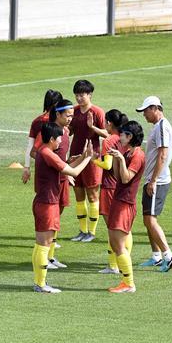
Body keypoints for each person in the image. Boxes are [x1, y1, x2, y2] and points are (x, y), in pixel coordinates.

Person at [31, 122, 94, 293]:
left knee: (41, 244)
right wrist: (88, 158)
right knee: (44, 244)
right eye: (59, 137)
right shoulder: (47, 154)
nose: (61, 141)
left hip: (43, 202)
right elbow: (73, 173)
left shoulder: (45, 152)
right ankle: (40, 284)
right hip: (47, 204)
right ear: (51, 138)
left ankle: (39, 282)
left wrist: (81, 158)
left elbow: (65, 169)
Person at [31, 99, 76, 269]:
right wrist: (54, 166)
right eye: (67, 115)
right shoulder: (48, 132)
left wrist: (66, 165)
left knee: (56, 219)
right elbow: (35, 152)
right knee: (49, 220)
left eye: (72, 115)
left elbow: (61, 159)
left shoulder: (65, 131)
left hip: (62, 179)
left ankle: (50, 257)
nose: (70, 118)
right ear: (58, 114)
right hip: (51, 184)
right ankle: (45, 260)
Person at [136, 96, 172, 272]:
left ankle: (168, 256)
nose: (144, 114)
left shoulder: (162, 126)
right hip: (154, 179)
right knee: (148, 218)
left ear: (155, 108)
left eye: (146, 111)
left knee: (150, 219)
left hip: (158, 181)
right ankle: (156, 256)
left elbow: (162, 155)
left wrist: (153, 180)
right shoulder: (158, 126)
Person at [106, 121, 146, 293]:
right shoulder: (128, 152)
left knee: (118, 245)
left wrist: (121, 159)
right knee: (115, 243)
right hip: (119, 200)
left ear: (129, 137)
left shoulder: (137, 155)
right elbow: (116, 175)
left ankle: (129, 283)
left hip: (125, 203)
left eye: (122, 134)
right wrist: (117, 158)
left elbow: (125, 178)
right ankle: (125, 282)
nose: (119, 137)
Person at [69, 79, 108, 242]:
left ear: (90, 94)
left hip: (92, 158)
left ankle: (91, 232)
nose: (79, 98)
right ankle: (82, 230)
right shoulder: (75, 111)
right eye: (77, 95)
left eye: (82, 95)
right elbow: (70, 131)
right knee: (78, 194)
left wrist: (92, 127)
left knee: (92, 195)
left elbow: (106, 134)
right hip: (76, 155)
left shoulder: (98, 112)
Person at [94, 109, 128, 275]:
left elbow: (106, 165)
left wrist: (92, 159)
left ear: (108, 123)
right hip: (122, 186)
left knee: (112, 228)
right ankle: (124, 260)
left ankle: (114, 265)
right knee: (124, 227)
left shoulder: (109, 141)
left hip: (109, 187)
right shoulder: (124, 138)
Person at [21, 90, 64, 185]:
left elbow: (30, 146)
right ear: (57, 104)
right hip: (59, 167)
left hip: (42, 168)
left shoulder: (36, 121)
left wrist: (27, 167)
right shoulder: (60, 120)